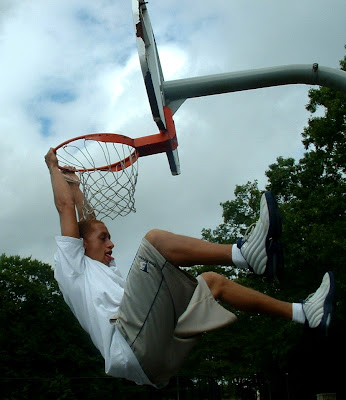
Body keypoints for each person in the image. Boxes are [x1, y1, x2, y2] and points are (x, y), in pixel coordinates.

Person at [45, 148, 335, 388]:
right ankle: (245, 254)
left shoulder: (103, 271)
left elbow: (87, 220)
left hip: (156, 363)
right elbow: (65, 209)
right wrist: (53, 167)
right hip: (130, 345)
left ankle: (303, 313)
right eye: (103, 239)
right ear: (81, 246)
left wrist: (76, 187)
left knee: (212, 283)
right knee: (155, 240)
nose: (111, 244)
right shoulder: (72, 269)